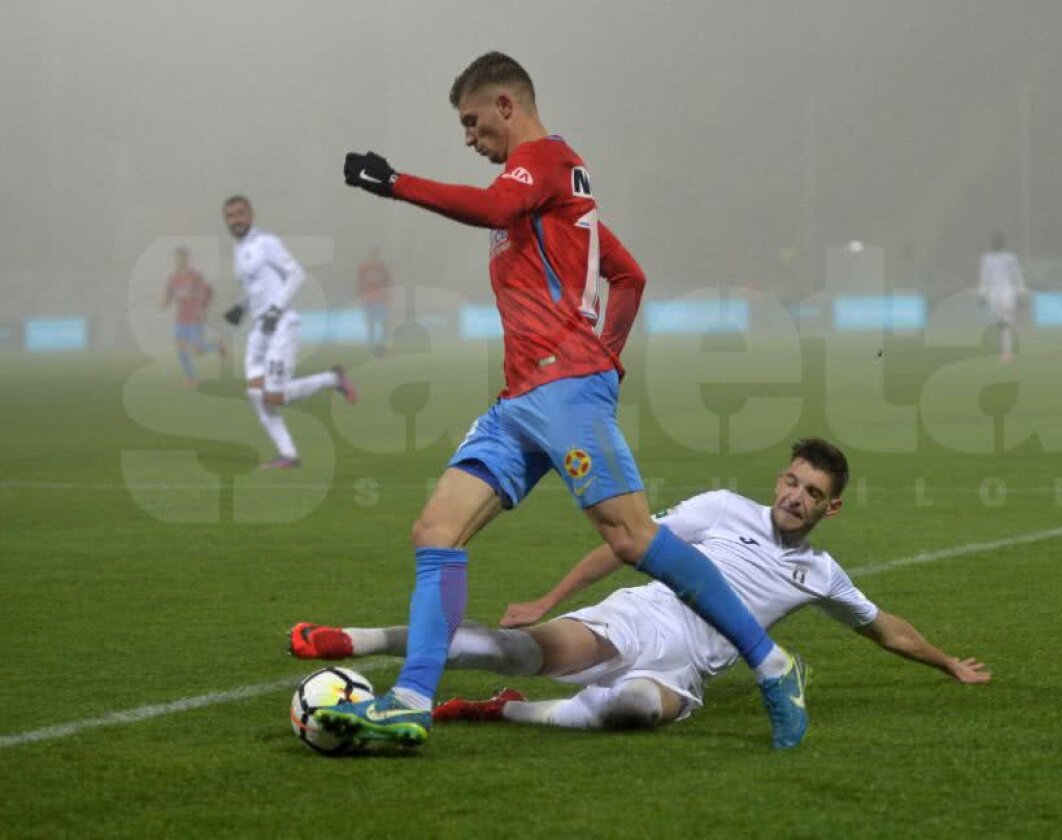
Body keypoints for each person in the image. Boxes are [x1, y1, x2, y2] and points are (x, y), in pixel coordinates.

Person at [321, 52, 809, 750]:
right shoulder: (554, 201)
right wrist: (608, 351)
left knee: (632, 537)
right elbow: (628, 275)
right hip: (520, 396)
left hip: (561, 387)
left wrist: (396, 183)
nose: (469, 137)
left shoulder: (545, 161)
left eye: (472, 121)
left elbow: (496, 206)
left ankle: (773, 665)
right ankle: (408, 702)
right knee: (436, 532)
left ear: (506, 105)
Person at [292, 439, 991, 734]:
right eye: (792, 481)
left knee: (633, 713)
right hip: (638, 619)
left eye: (813, 493)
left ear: (830, 507)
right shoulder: (719, 508)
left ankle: (498, 713)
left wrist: (947, 663)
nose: (796, 497)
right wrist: (547, 600)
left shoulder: (822, 574)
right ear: (779, 478)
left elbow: (883, 626)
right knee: (513, 648)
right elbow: (626, 543)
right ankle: (356, 638)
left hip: (686, 669)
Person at [220, 196, 358, 469]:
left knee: (272, 396)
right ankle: (288, 455)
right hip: (260, 329)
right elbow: (256, 287)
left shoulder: (266, 243)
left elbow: (296, 274)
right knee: (256, 394)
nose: (235, 220)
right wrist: (240, 307)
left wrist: (276, 309)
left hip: (281, 324)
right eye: (230, 216)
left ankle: (332, 379)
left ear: (251, 214)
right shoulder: (240, 248)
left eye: (239, 214)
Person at [161, 246, 225, 388]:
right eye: (178, 258)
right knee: (181, 350)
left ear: (187, 259)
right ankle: (192, 378)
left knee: (197, 351)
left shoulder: (195, 276)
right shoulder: (173, 278)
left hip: (195, 319)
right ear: (176, 260)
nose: (181, 260)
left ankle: (218, 346)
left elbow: (209, 291)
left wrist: (203, 308)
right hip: (181, 320)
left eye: (183, 258)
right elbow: (169, 294)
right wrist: (164, 304)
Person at [978, 233, 1028, 364]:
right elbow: (985, 276)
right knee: (998, 321)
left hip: (1007, 291)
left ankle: (1006, 354)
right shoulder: (987, 258)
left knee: (1005, 323)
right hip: (993, 293)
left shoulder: (1010, 257)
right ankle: (1002, 324)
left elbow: (1017, 274)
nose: (996, 243)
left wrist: (1021, 292)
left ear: (1002, 243)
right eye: (995, 241)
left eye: (998, 241)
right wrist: (983, 293)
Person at [357, 247, 391, 356]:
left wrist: (388, 298)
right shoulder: (365, 268)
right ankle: (373, 348)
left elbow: (388, 283)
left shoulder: (382, 267)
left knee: (382, 324)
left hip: (380, 299)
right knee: (371, 325)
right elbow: (360, 283)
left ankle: (380, 347)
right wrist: (361, 297)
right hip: (370, 300)